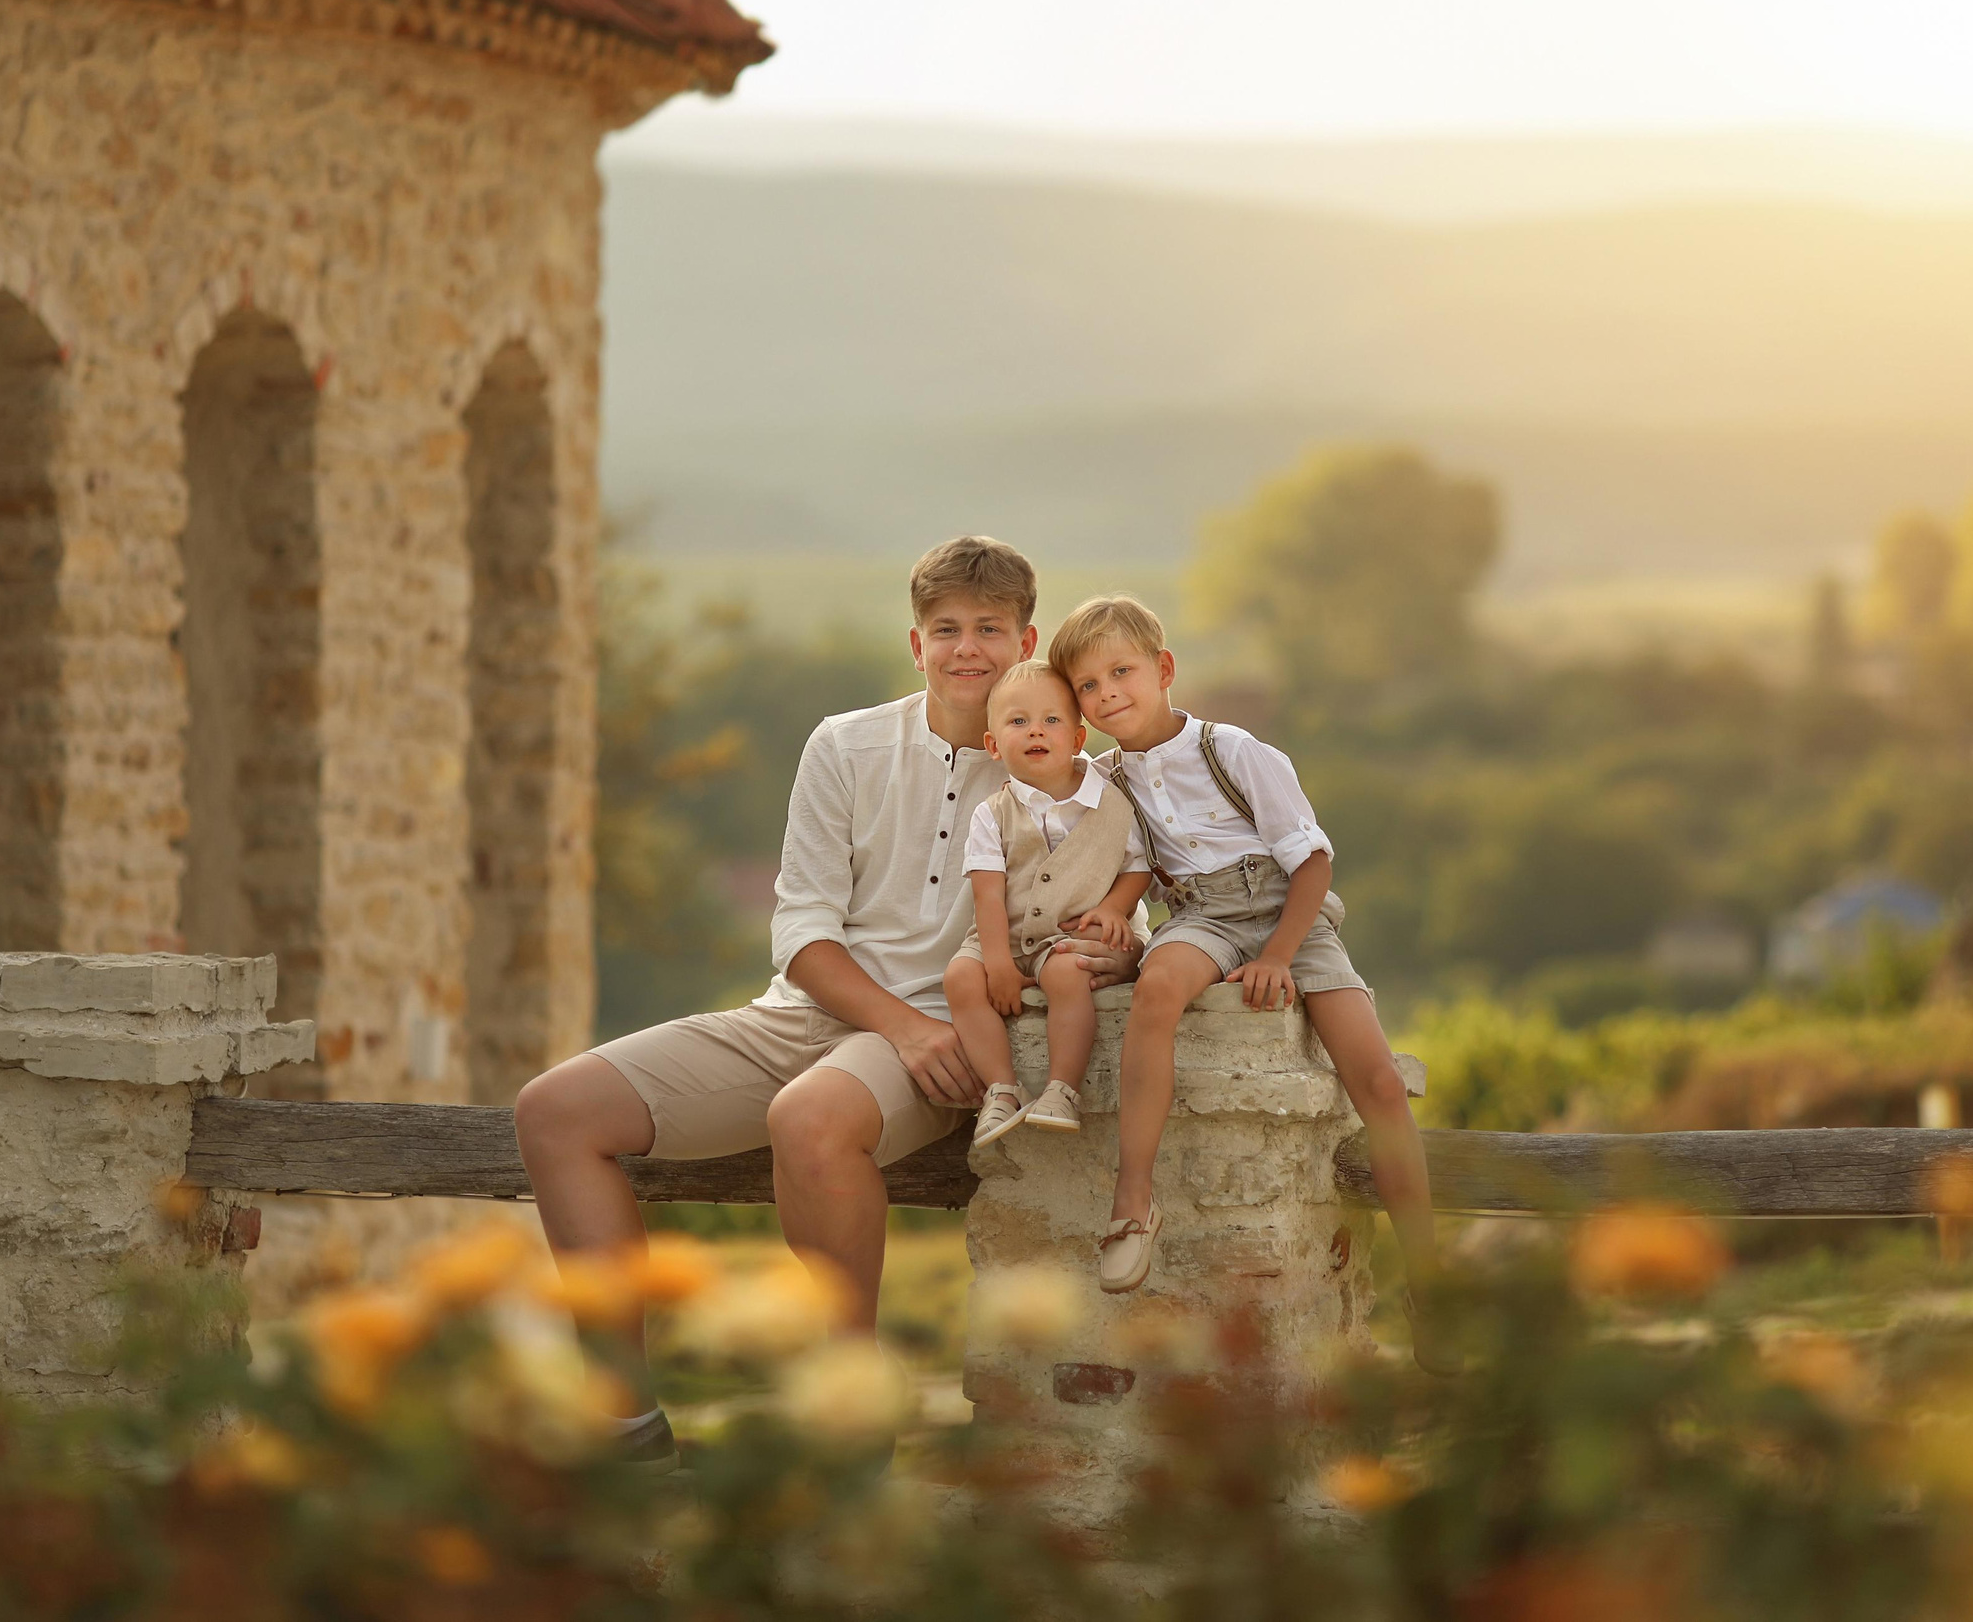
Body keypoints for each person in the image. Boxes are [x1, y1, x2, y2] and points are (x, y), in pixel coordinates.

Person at [512, 538, 1140, 1465]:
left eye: (991, 630)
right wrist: (898, 1022)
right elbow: (801, 932)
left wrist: (1109, 948)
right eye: (947, 629)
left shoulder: (1057, 766)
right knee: (554, 1110)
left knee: (807, 1119)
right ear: (915, 642)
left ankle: (850, 1419)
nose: (968, 649)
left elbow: (1123, 903)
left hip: (947, 1036)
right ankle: (623, 1424)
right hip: (815, 1015)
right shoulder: (845, 744)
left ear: (1027, 641)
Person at [1049, 595, 1458, 1368]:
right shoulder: (1101, 780)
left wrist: (1278, 955)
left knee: (1375, 1078)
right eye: (1088, 687)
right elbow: (1119, 867)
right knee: (1158, 990)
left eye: (1122, 672)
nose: (1107, 695)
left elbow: (1311, 863)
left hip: (1289, 912)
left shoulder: (1230, 749)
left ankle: (1430, 1283)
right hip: (1200, 914)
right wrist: (1121, 936)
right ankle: (1132, 1204)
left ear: (1164, 670)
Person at [943, 659, 1153, 1149]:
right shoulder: (990, 814)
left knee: (1065, 973)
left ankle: (1062, 1089)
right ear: (994, 745)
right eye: (1018, 722)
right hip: (1005, 934)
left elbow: (1137, 867)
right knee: (960, 978)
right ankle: (1002, 1089)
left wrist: (1115, 909)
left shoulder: (1112, 804)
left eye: (1051, 721)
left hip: (1068, 935)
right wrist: (995, 961)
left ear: (1078, 739)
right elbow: (988, 894)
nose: (1036, 731)